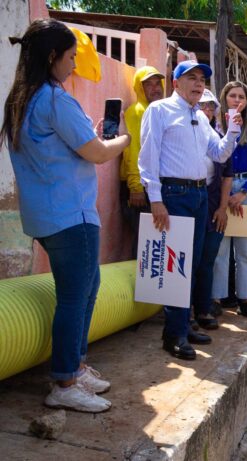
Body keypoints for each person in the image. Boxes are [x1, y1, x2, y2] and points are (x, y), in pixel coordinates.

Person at [2, 19, 132, 412]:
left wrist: (90, 138)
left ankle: (75, 364)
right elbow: (96, 152)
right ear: (53, 56)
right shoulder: (55, 99)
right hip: (70, 214)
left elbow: (69, 145)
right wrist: (121, 139)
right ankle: (64, 381)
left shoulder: (22, 99)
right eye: (72, 57)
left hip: (47, 215)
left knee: (87, 289)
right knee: (75, 298)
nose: (75, 65)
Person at [139, 60, 243, 360]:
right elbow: (148, 157)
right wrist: (156, 199)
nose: (199, 84)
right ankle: (173, 334)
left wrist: (233, 131)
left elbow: (219, 153)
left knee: (193, 264)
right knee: (175, 267)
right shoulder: (159, 111)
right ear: (176, 83)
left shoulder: (199, 116)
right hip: (174, 194)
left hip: (199, 194)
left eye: (202, 79)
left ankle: (183, 325)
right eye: (192, 78)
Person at [211, 82, 247, 319]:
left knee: (246, 251)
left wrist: (243, 192)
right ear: (225, 99)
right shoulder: (214, 129)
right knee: (220, 249)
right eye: (232, 96)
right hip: (220, 189)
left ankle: (245, 298)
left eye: (240, 96)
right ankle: (216, 298)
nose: (236, 100)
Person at [191, 89, 232, 327]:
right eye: (202, 106)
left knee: (207, 259)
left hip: (215, 207)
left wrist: (223, 208)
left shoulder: (221, 138)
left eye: (211, 107)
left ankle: (203, 309)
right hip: (190, 203)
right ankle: (185, 313)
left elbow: (227, 175)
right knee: (189, 261)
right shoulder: (187, 135)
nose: (207, 110)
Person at [120, 66, 165, 257]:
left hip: (153, 186)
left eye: (158, 83)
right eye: (148, 85)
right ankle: (140, 286)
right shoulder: (137, 112)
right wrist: (136, 186)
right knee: (145, 243)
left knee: (153, 240)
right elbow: (132, 150)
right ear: (140, 88)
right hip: (139, 188)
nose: (155, 89)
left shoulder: (157, 111)